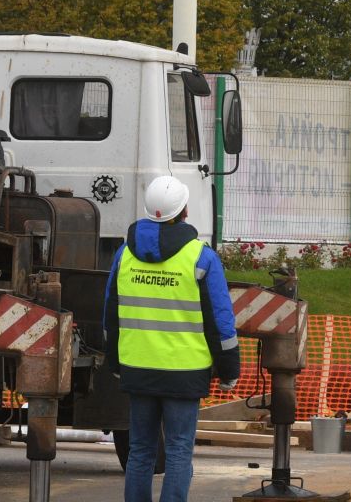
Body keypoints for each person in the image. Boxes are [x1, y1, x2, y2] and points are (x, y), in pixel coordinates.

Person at [103, 176, 240, 502]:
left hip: (137, 367)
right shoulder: (201, 258)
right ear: (185, 211)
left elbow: (111, 314)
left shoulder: (125, 254)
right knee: (179, 450)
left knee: (140, 450)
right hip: (185, 371)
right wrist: (229, 370)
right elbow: (221, 321)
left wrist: (115, 362)